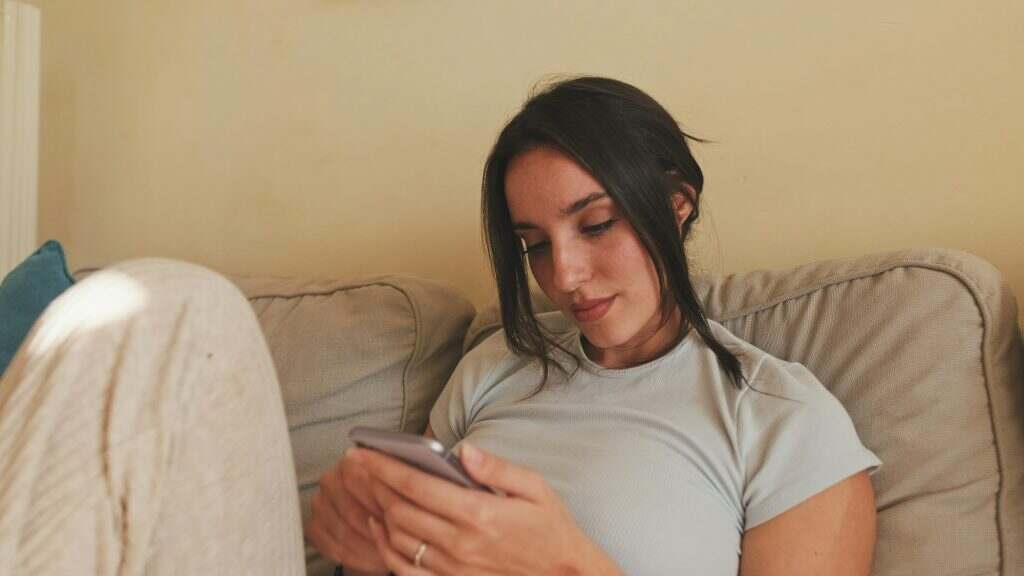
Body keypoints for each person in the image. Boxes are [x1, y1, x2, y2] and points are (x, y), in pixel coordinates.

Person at [305, 76, 882, 575]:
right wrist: (361, 547)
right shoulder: (494, 365)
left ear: (678, 204)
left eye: (598, 224)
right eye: (534, 245)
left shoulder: (782, 419)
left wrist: (567, 566)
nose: (565, 275)